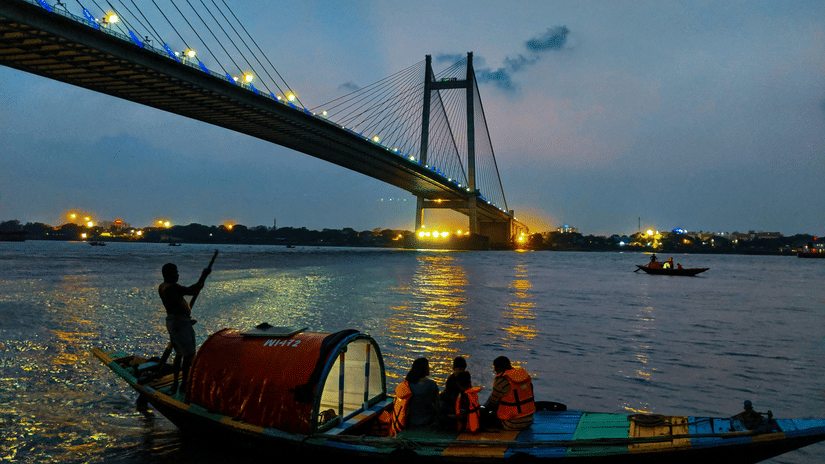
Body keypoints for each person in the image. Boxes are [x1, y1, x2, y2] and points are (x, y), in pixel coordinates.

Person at [158, 262, 210, 394]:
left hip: (181, 322)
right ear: (167, 274)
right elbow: (192, 291)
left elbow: (189, 291)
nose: (177, 275)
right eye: (175, 272)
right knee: (188, 355)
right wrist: (203, 277)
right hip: (178, 323)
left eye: (177, 272)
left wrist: (199, 284)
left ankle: (178, 384)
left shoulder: (166, 287)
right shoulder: (170, 287)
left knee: (181, 354)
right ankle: (182, 385)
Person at [483, 356, 535, 430]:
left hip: (512, 423)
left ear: (499, 369)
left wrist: (482, 410)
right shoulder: (524, 376)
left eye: (495, 370)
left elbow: (492, 404)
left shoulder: (501, 380)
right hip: (529, 420)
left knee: (483, 415)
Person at [390, 357, 440, 434]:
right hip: (426, 422)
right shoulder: (431, 385)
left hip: (408, 422)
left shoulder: (407, 384)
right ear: (424, 369)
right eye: (428, 366)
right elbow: (437, 407)